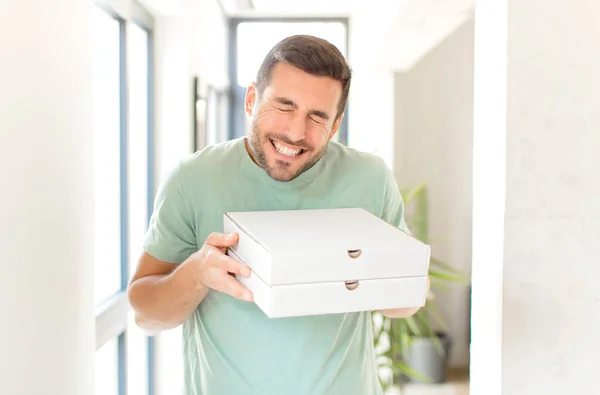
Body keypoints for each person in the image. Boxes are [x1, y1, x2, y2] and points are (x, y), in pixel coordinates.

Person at [128, 34, 427, 395]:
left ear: (335, 125)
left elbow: (405, 304)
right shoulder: (193, 179)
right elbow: (145, 313)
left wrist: (396, 274)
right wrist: (197, 274)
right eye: (284, 106)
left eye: (317, 117)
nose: (295, 132)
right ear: (252, 99)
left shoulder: (370, 178)